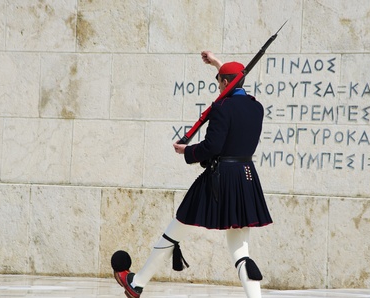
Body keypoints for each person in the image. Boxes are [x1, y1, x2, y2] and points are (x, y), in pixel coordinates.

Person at [112, 51, 273, 298]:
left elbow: (212, 147)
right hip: (246, 178)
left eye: (219, 81)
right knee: (241, 252)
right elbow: (231, 87)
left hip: (219, 179)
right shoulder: (256, 108)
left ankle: (137, 284)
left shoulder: (221, 108)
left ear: (226, 83)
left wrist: (187, 151)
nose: (218, 86)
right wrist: (218, 64)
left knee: (176, 229)